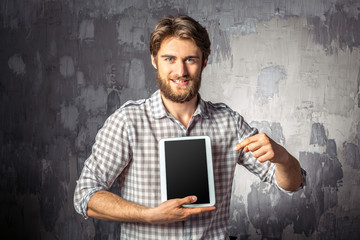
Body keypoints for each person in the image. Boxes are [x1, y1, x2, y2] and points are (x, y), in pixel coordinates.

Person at [74, 15, 305, 239]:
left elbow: (292, 184)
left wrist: (283, 158)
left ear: (204, 61)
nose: (181, 71)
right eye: (169, 59)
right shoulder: (127, 121)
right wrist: (149, 215)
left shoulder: (229, 122)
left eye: (190, 59)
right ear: (154, 60)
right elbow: (85, 195)